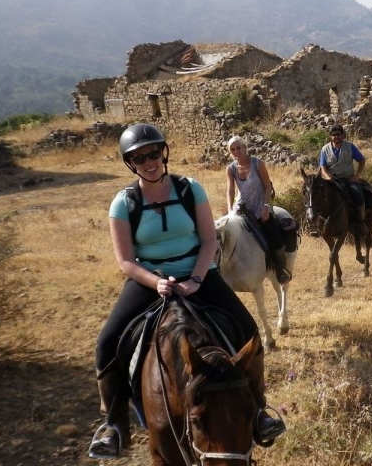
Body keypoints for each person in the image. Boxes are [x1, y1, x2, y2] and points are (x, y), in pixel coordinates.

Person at [89, 123, 285, 459]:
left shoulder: (189, 189)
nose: (148, 161)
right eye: (139, 157)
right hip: (150, 280)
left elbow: (209, 239)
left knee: (248, 331)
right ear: (130, 163)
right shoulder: (124, 203)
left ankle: (259, 412)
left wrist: (195, 278)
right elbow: (125, 261)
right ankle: (114, 424)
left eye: (153, 153)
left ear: (162, 153)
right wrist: (156, 282)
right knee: (107, 343)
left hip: (199, 274)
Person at [225, 135, 292, 284]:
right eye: (233, 149)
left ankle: (281, 269)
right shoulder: (230, 169)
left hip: (261, 208)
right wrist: (230, 209)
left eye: (239, 148)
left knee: (275, 237)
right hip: (241, 209)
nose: (236, 151)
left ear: (245, 148)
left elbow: (267, 186)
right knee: (226, 237)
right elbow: (230, 190)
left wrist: (266, 207)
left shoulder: (257, 164)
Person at [319, 124, 368, 235]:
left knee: (359, 196)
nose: (337, 137)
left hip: (347, 179)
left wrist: (357, 175)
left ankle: (359, 223)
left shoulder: (350, 146)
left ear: (342, 135)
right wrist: (327, 177)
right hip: (332, 180)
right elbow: (322, 167)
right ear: (330, 136)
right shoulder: (324, 149)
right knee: (317, 197)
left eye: (339, 134)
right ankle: (317, 225)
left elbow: (361, 160)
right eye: (334, 135)